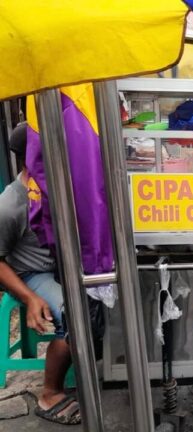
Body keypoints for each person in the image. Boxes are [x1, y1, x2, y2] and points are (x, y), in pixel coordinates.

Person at [0, 123, 80, 425]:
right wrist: (29, 298)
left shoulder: (54, 188)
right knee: (73, 315)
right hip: (31, 274)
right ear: (31, 156)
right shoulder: (10, 205)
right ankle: (50, 393)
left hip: (61, 266)